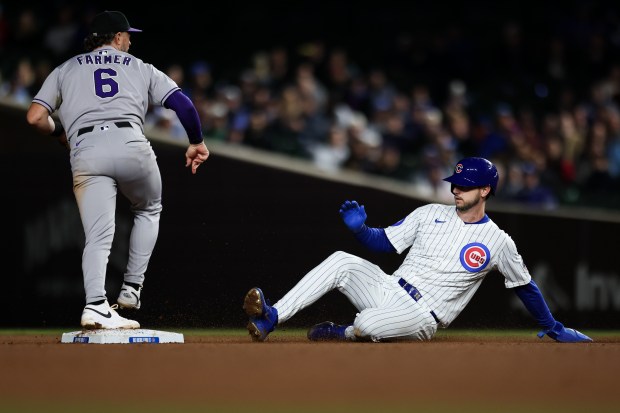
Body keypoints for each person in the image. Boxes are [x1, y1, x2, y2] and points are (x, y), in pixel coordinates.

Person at [242, 157, 592, 343]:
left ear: (485, 190)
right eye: (455, 183)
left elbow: (524, 286)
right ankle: (273, 316)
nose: (457, 189)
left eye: (466, 186)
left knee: (365, 325)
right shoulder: (430, 212)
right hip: (389, 287)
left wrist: (553, 326)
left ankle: (342, 332)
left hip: (423, 316)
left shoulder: (499, 241)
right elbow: (385, 243)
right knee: (340, 261)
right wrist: (362, 230)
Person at [26, 10, 210, 330]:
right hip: (130, 144)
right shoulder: (140, 67)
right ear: (116, 37)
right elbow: (183, 104)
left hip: (86, 151)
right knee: (149, 207)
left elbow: (34, 118)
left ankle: (95, 305)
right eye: (127, 35)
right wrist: (196, 141)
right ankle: (131, 288)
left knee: (98, 235)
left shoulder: (65, 69)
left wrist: (59, 133)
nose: (130, 40)